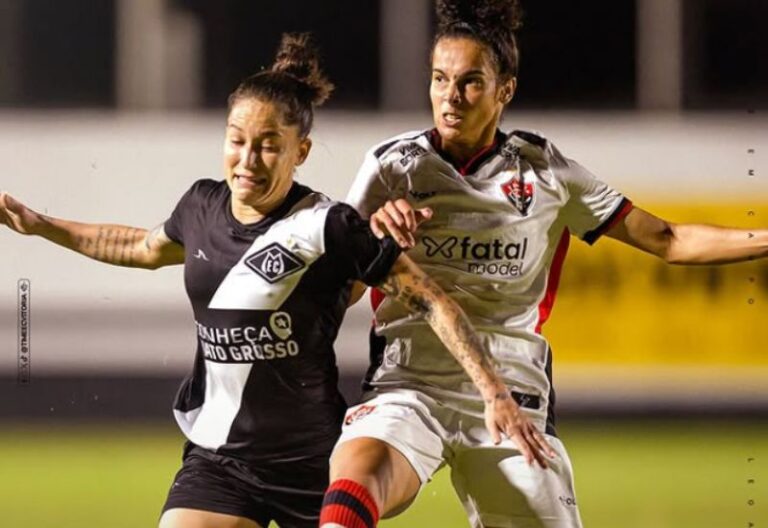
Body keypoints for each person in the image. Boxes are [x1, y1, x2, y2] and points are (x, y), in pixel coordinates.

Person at [0, 32, 553, 528]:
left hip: (312, 465)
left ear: (300, 151)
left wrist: (493, 393)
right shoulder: (200, 207)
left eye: (268, 144)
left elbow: (431, 300)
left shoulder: (328, 225)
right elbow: (138, 247)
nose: (248, 159)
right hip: (220, 460)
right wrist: (42, 226)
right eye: (237, 139)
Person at [320, 1, 768, 528]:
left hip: (514, 398)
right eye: (440, 78)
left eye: (470, 82)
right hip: (407, 384)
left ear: (504, 89)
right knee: (349, 493)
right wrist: (369, 239)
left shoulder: (546, 172)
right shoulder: (390, 166)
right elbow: (338, 293)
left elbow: (670, 239)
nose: (450, 96)